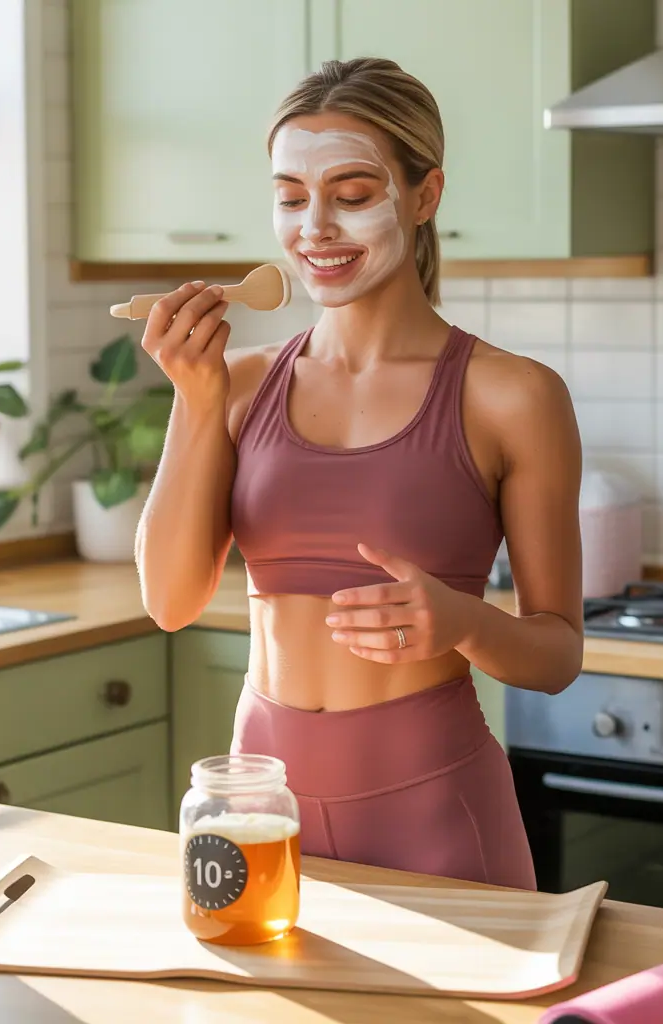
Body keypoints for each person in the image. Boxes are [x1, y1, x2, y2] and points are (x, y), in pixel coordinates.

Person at [135, 58, 583, 889]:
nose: (316, 228)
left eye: (350, 194)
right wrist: (194, 402)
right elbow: (169, 602)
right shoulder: (233, 385)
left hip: (437, 811)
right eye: (291, 196)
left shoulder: (512, 397)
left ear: (424, 195)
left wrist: (461, 620)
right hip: (258, 808)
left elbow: (556, 656)